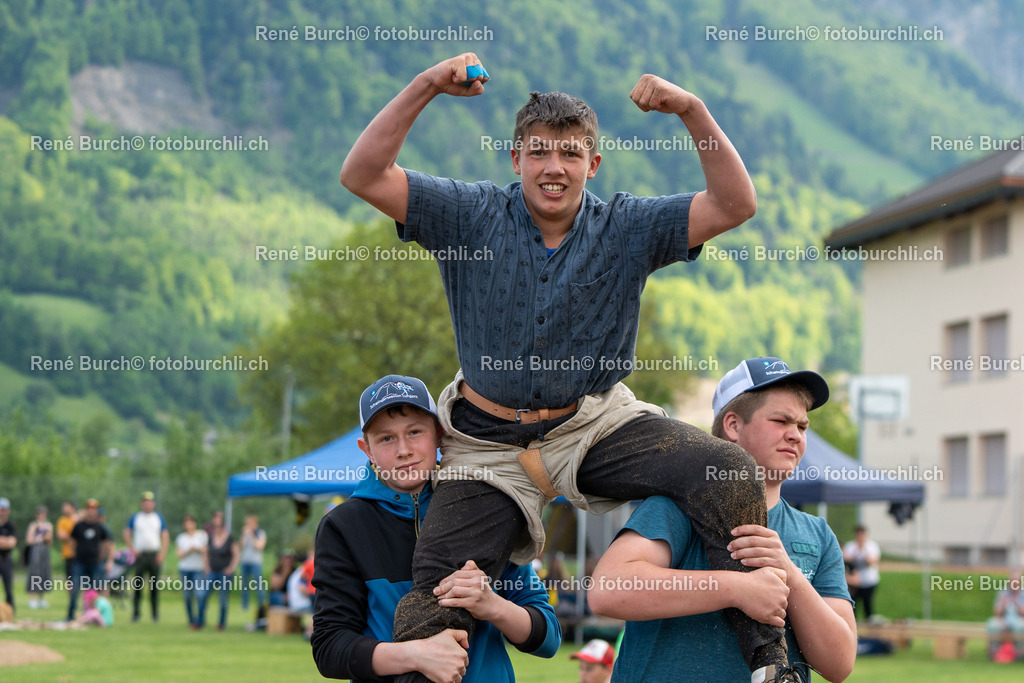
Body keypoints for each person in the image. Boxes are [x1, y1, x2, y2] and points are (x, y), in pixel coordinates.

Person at [339, 53, 799, 682]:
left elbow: (735, 202)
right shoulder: (467, 215)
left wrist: (691, 109)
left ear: (593, 163)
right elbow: (362, 173)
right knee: (439, 587)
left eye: (570, 153)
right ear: (515, 158)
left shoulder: (627, 226)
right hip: (484, 439)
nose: (554, 167)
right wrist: (425, 85)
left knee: (725, 466)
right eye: (539, 152)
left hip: (594, 423)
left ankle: (769, 659)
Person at [588, 357, 857, 682]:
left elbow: (840, 664)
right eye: (781, 421)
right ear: (732, 426)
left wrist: (789, 573)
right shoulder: (676, 507)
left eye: (802, 426)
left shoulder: (817, 533)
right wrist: (738, 588)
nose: (796, 436)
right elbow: (607, 590)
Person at [311, 375, 561, 682]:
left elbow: (549, 638)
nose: (403, 450)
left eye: (415, 431)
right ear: (367, 450)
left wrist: (493, 605)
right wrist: (415, 654)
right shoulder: (343, 526)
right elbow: (329, 648)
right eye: (385, 438)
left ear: (440, 434)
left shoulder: (486, 504)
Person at [124, 491, 170, 622]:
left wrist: (162, 554)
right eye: (145, 502)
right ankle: (136, 614)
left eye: (150, 502)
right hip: (140, 555)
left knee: (154, 587)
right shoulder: (136, 517)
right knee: (138, 586)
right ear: (141, 503)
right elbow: (127, 533)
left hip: (154, 555)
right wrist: (132, 549)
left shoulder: (158, 518)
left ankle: (155, 615)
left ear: (153, 504)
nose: (147, 504)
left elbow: (165, 536)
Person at [67, 498, 114, 621]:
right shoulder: (79, 526)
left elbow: (107, 543)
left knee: (92, 593)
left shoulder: (100, 527)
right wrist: (74, 553)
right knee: (75, 589)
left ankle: (90, 616)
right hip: (79, 562)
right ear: (86, 510)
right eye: (89, 509)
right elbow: (71, 540)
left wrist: (101, 556)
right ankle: (70, 614)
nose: (91, 512)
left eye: (94, 509)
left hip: (94, 563)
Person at [198, 509, 239, 630]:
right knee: (202, 594)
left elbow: (236, 554)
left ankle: (221, 623)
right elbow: (205, 553)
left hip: (224, 573)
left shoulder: (230, 538)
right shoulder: (210, 537)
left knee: (223, 598)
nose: (217, 527)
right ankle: (199, 621)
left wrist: (231, 567)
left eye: (219, 525)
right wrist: (206, 567)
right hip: (212, 571)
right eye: (214, 525)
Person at [176, 514, 208, 630]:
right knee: (187, 596)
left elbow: (206, 550)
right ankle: (191, 620)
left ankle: (200, 619)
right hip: (185, 569)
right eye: (186, 523)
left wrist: (197, 549)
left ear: (194, 524)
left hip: (198, 569)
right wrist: (189, 550)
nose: (188, 525)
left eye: (190, 522)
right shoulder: (181, 538)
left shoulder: (202, 535)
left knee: (200, 595)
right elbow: (179, 555)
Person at [842, 525, 880, 620]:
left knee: (867, 604)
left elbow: (874, 560)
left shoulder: (871, 546)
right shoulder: (850, 546)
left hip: (868, 581)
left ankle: (869, 625)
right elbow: (845, 559)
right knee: (853, 605)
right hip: (853, 584)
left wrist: (864, 555)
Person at [987, 570, 1024, 661]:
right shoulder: (1002, 593)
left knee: (1021, 626)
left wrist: (1016, 602)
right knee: (992, 625)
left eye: (1016, 582)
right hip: (1003, 620)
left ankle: (1019, 652)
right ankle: (994, 652)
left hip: (1019, 620)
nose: (1014, 584)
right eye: (1012, 582)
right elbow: (996, 613)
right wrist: (1003, 604)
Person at [25, 505, 54, 608]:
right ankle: (32, 599)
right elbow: (29, 540)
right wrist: (39, 537)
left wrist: (46, 536)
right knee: (34, 573)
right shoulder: (33, 525)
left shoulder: (49, 526)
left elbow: (50, 540)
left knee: (43, 573)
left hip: (44, 551)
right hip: (35, 550)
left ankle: (41, 598)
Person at [239, 514, 267, 612]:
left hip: (255, 562)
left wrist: (251, 535)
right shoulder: (246, 534)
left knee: (258, 584)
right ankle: (245, 604)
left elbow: (259, 546)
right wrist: (244, 535)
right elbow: (241, 546)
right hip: (245, 561)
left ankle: (261, 604)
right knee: (244, 584)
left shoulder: (260, 533)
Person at [287, 552, 315, 638]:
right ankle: (309, 632)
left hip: (311, 592)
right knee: (314, 613)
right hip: (315, 592)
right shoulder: (315, 563)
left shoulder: (307, 564)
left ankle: (308, 632)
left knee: (313, 613)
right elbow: (301, 584)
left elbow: (303, 580)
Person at [0, 498, 16, 612]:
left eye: (4, 509)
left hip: (5, 559)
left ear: (8, 511)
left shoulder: (11, 526)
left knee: (8, 589)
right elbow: (7, 542)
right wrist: (5, 541)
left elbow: (12, 543)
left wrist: (4, 542)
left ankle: (10, 613)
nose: (2, 511)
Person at [56, 501, 78, 580]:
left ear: (72, 508)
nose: (64, 509)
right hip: (68, 553)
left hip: (80, 553)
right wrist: (73, 537)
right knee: (69, 577)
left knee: (82, 577)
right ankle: (71, 592)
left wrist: (68, 534)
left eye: (66, 507)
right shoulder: (62, 520)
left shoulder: (78, 519)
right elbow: (61, 536)